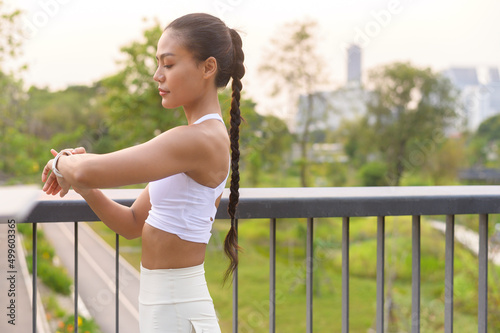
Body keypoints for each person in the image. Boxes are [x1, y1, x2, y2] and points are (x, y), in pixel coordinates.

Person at [41, 12, 244, 333]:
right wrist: (81, 184)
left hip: (177, 308)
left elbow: (86, 171)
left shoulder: (196, 140)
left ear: (208, 68)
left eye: (169, 64)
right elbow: (133, 223)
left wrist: (62, 163)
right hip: (164, 306)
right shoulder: (193, 140)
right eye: (158, 64)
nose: (156, 75)